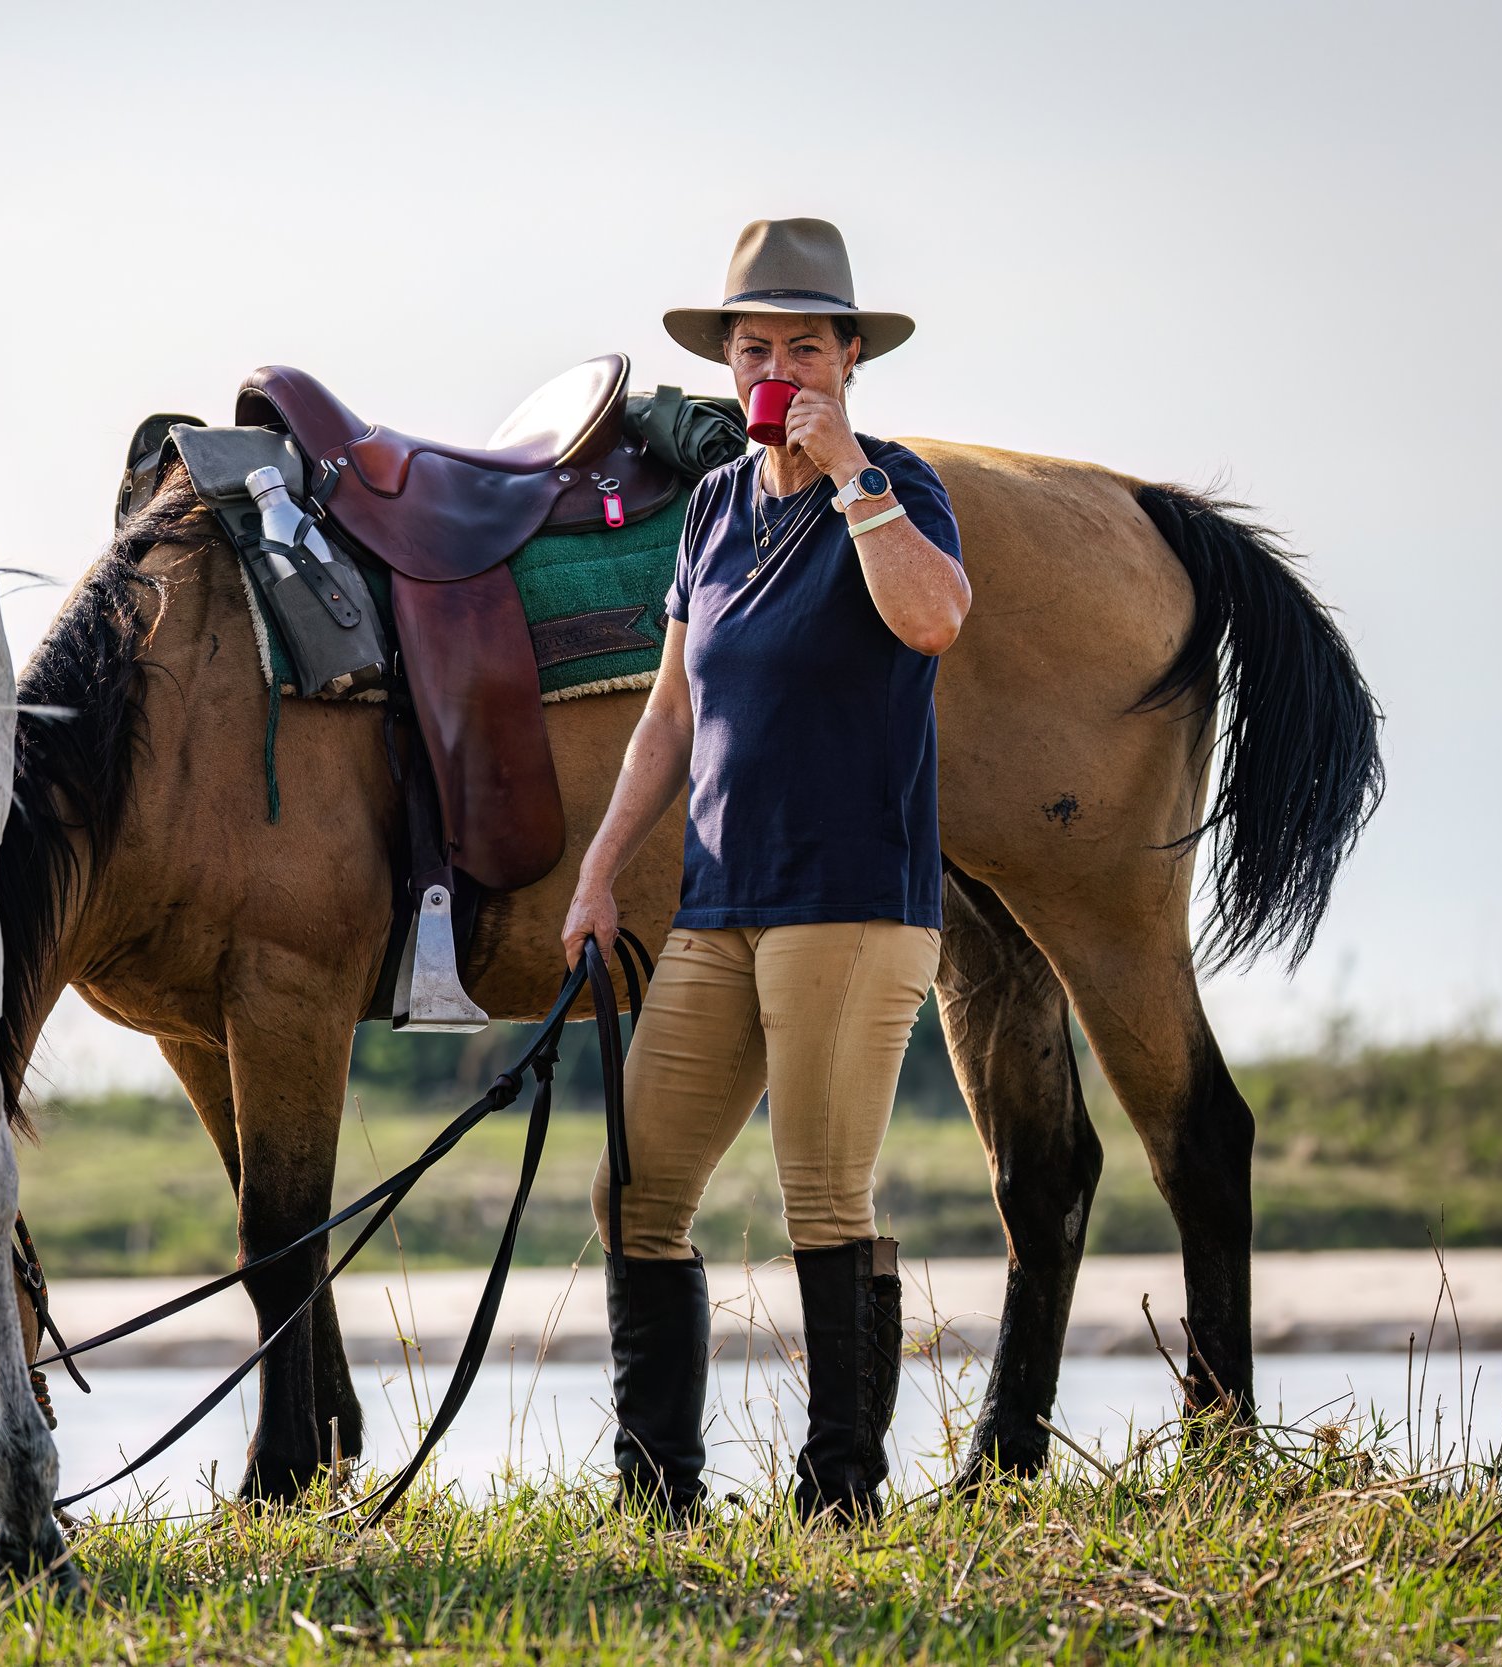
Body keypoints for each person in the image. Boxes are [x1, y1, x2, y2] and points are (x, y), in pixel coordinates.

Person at [563, 217, 972, 1521]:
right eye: (755, 347)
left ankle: (841, 1492)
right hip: (723, 904)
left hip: (853, 900)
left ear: (850, 356)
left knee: (821, 1196)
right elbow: (673, 714)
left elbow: (934, 618)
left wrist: (852, 473)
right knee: (638, 1188)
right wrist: (599, 870)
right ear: (729, 366)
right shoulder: (716, 512)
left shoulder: (900, 484)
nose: (778, 366)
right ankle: (658, 1490)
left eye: (806, 344)